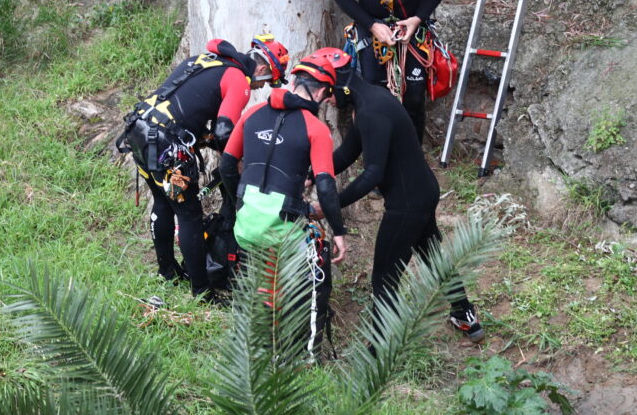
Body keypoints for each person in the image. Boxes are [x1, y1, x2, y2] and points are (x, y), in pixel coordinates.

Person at [310, 47, 484, 343]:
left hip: (406, 204)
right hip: (422, 191)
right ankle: (464, 314)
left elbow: (372, 174)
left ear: (338, 85)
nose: (326, 99)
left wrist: (330, 206)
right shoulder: (371, 101)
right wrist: (310, 171)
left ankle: (379, 352)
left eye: (326, 92)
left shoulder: (371, 112)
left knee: (383, 280)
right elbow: (347, 153)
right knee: (433, 256)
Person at [117, 35, 290, 303]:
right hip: (167, 146)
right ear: (263, 69)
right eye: (265, 82)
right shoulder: (238, 80)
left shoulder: (205, 60)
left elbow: (192, 105)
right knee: (189, 216)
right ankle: (201, 292)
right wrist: (234, 161)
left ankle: (167, 272)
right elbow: (223, 130)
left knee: (163, 204)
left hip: (139, 130)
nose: (259, 87)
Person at [219, 52, 347, 358]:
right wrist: (339, 232)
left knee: (264, 273)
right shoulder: (316, 129)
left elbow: (226, 165)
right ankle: (308, 355)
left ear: (293, 81)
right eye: (327, 93)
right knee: (317, 269)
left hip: (246, 224)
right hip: (280, 230)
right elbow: (326, 186)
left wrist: (241, 203)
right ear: (320, 91)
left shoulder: (252, 113)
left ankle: (256, 340)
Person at [332, 0, 451, 143]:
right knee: (372, 95)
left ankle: (413, 153)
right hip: (372, 31)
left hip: (412, 30)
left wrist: (418, 19)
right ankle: (376, 154)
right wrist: (372, 25)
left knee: (415, 97)